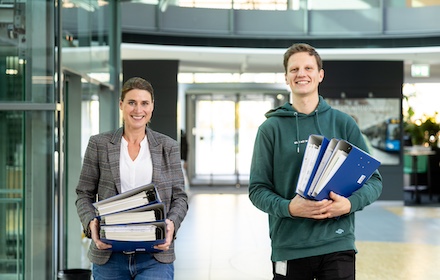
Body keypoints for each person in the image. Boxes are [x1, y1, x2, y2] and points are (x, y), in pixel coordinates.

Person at [248, 43, 383, 280]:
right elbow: (257, 190)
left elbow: (374, 180)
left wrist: (349, 204)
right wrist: (289, 208)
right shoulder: (270, 129)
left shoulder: (343, 124)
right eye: (294, 69)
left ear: (320, 75)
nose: (302, 74)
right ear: (287, 78)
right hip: (289, 246)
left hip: (337, 243)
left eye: (308, 68)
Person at [76, 77, 188, 280]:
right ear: (121, 105)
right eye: (132, 102)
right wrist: (91, 223)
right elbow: (83, 194)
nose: (138, 110)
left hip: (155, 255)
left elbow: (180, 197)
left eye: (144, 103)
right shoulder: (99, 144)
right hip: (109, 255)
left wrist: (171, 224)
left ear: (152, 106)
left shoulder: (168, 147)